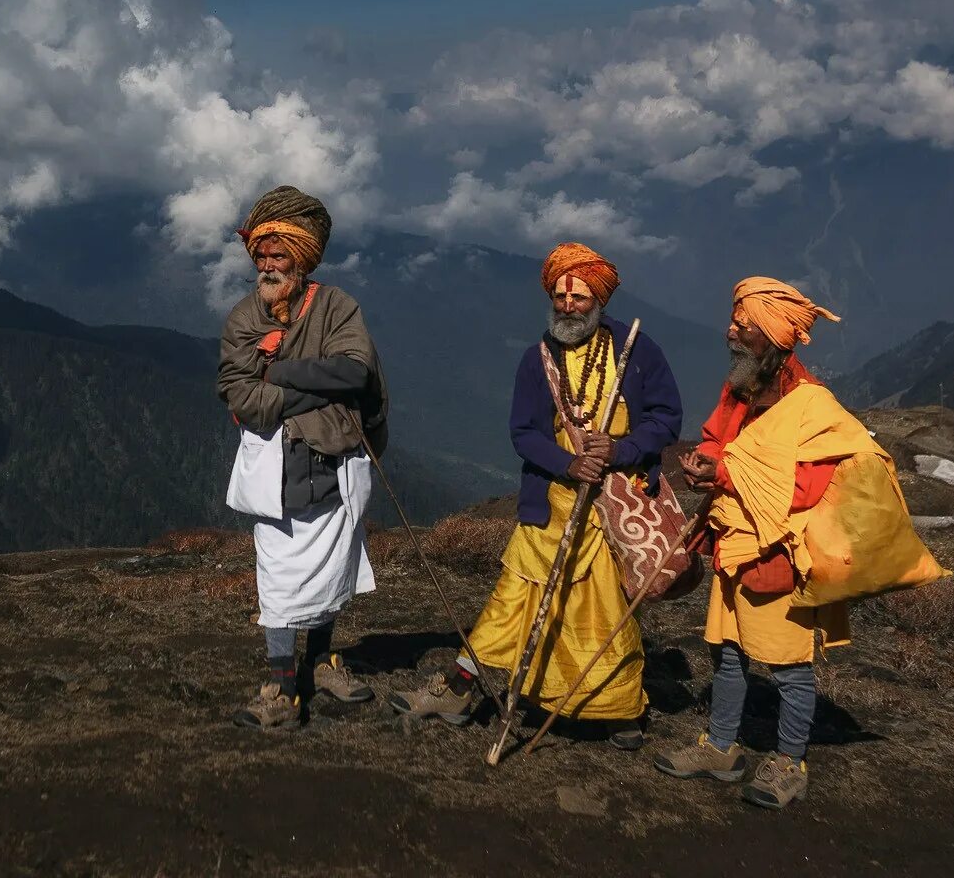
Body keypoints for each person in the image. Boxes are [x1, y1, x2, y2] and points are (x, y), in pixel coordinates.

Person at [390, 243, 682, 750]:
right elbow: (524, 434)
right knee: (515, 597)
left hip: (613, 503)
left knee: (604, 609)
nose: (569, 305)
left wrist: (619, 448)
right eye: (561, 295)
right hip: (552, 502)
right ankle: (462, 686)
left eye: (580, 296)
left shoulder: (637, 352)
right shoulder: (538, 360)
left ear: (599, 300)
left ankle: (618, 711)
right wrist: (569, 462)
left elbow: (666, 418)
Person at [653, 277, 878, 809]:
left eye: (745, 326)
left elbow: (804, 489)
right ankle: (723, 747)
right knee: (726, 652)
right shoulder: (740, 388)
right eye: (734, 321)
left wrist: (724, 472)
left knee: (789, 666)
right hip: (735, 542)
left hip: (779, 551)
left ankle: (789, 763)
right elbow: (717, 444)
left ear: (775, 340)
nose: (731, 332)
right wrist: (703, 469)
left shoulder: (814, 410)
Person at [217, 185, 387, 729]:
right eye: (262, 256)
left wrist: (281, 372)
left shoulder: (336, 307)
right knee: (282, 577)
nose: (268, 266)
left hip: (336, 461)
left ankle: (320, 661)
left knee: (333, 567)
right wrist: (318, 386)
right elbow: (246, 400)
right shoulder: (245, 318)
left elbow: (356, 371)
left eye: (279, 256)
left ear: (302, 258)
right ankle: (281, 685)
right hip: (279, 470)